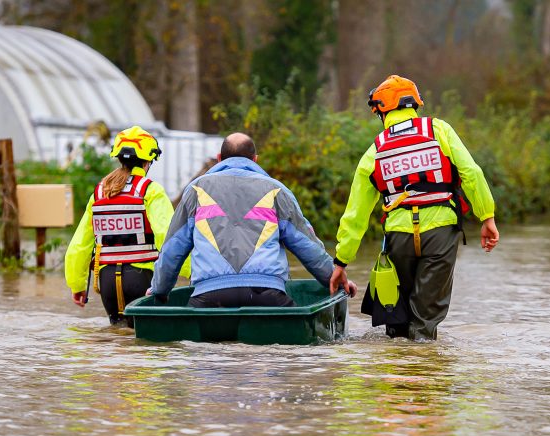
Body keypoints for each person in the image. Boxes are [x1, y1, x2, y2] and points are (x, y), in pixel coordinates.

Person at [328, 75, 499, 340]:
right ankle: (424, 371)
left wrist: (341, 260)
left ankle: (397, 372)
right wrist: (486, 216)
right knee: (424, 321)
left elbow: (355, 213)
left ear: (382, 110)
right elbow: (471, 173)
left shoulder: (376, 150)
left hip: (399, 238)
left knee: (397, 320)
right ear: (413, 104)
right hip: (441, 233)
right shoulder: (439, 130)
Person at [150, 133, 356, 307]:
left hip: (208, 297)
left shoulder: (195, 190)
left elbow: (172, 251)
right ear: (255, 159)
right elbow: (308, 247)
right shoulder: (277, 190)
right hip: (267, 295)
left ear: (219, 158)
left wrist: (159, 291)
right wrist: (337, 279)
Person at [64, 126, 187, 325]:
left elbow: (79, 244)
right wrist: (190, 272)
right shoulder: (150, 190)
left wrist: (77, 284)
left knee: (118, 338)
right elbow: (169, 236)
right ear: (149, 160)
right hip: (142, 278)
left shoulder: (100, 193)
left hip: (107, 282)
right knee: (145, 343)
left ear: (119, 158)